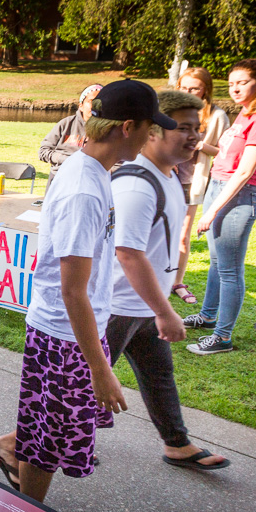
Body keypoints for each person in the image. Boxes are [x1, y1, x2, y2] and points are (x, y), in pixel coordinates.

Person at [0, 79, 172, 512]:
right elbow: (73, 290)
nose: (154, 138)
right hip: (66, 337)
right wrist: (100, 367)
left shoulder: (89, 172)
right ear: (128, 127)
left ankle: (13, 469)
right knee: (47, 446)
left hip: (61, 332)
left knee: (43, 429)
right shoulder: (86, 187)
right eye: (152, 128)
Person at [104, 90, 229, 471]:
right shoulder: (137, 185)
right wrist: (166, 311)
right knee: (81, 389)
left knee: (159, 376)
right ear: (152, 132)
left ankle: (177, 443)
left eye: (197, 128)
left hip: (142, 304)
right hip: (116, 307)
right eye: (183, 128)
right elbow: (127, 253)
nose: (194, 137)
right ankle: (17, 442)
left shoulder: (168, 175)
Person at [185, 59, 256, 355]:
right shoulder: (246, 114)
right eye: (231, 83)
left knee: (230, 270)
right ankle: (207, 317)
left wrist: (212, 210)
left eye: (242, 82)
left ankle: (222, 337)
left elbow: (244, 172)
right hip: (219, 187)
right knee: (217, 263)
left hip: (239, 196)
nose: (235, 88)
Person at [172, 67, 230, 304]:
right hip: (166, 176)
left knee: (182, 235)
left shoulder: (217, 116)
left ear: (205, 89)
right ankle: (153, 278)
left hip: (191, 182)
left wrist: (200, 145)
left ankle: (176, 282)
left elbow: (225, 153)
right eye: (184, 88)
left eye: (194, 88)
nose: (188, 92)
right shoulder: (170, 110)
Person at [39, 84, 103, 171]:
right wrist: (67, 160)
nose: (95, 105)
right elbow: (43, 151)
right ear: (81, 106)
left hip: (93, 177)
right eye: (91, 101)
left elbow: (117, 162)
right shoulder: (65, 124)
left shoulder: (109, 130)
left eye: (99, 102)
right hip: (60, 174)